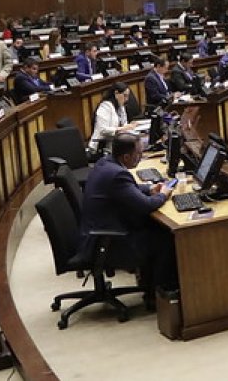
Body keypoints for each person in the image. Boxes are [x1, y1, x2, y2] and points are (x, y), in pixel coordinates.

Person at [80, 133, 177, 295]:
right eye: (138, 154)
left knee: (155, 228)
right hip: (107, 242)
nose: (141, 156)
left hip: (97, 231)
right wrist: (164, 194)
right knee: (167, 238)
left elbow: (125, 190)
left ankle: (150, 286)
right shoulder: (118, 174)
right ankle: (158, 295)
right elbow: (145, 205)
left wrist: (148, 189)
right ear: (126, 157)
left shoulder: (105, 163)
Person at [90, 82, 140, 154]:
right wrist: (123, 128)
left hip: (116, 144)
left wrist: (130, 127)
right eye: (125, 96)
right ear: (116, 93)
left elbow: (124, 124)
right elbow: (102, 130)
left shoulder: (121, 106)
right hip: (101, 148)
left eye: (128, 96)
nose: (127, 99)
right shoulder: (105, 107)